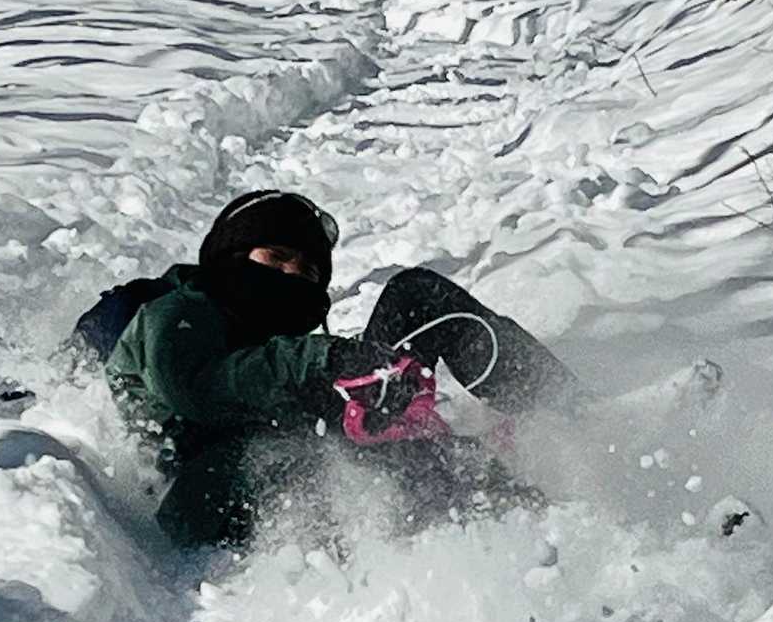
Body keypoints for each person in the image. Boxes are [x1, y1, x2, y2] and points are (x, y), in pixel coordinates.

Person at [83, 190, 577, 548]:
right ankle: (522, 518)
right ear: (232, 256)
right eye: (276, 258)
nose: (291, 275)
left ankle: (574, 415)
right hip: (213, 496)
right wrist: (327, 363)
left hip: (301, 452)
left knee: (416, 297)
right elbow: (199, 388)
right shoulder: (176, 313)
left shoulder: (281, 335)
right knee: (374, 456)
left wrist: (370, 384)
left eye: (308, 271)